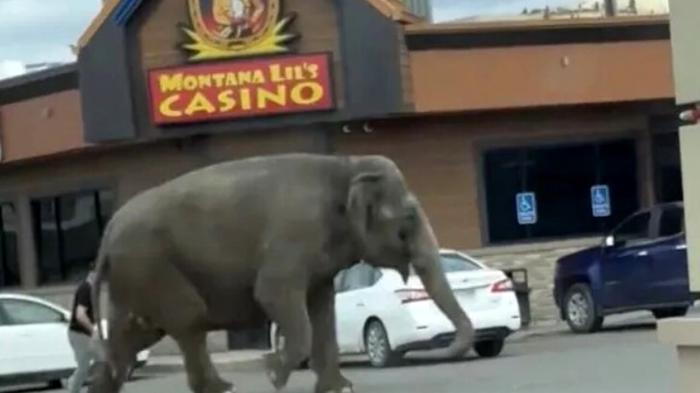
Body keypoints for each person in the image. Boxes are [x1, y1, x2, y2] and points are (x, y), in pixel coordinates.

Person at [67, 262, 98, 393]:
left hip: (88, 334)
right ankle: (73, 386)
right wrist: (94, 331)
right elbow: (80, 315)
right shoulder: (86, 289)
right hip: (80, 334)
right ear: (92, 273)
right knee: (85, 366)